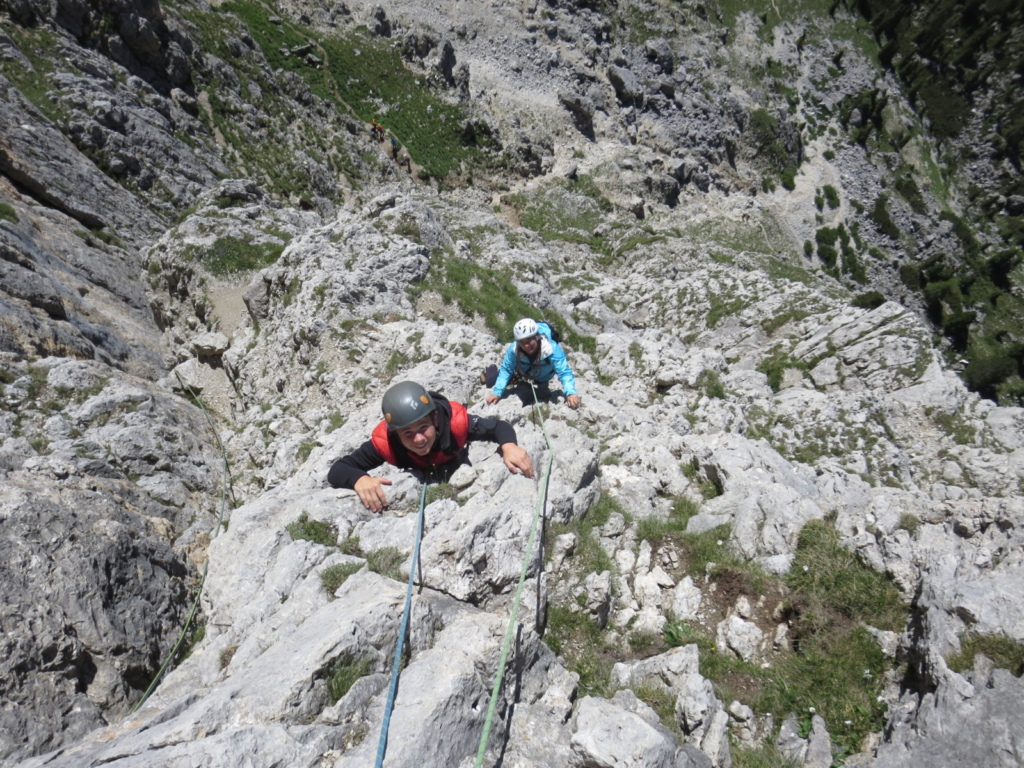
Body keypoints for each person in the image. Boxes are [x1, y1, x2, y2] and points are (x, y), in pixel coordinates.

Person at [328, 381, 534, 512]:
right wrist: (359, 478)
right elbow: (338, 469)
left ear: (435, 419)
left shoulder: (456, 424)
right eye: (407, 433)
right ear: (395, 433)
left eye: (423, 428)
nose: (418, 439)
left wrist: (509, 445)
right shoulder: (386, 443)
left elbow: (498, 427)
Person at [485, 318, 581, 409]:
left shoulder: (551, 349)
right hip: (522, 373)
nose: (526, 345)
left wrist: (570, 393)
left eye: (529, 340)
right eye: (521, 342)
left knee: (543, 393)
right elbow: (506, 370)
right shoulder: (514, 349)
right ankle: (491, 369)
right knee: (490, 381)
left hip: (543, 378)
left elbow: (564, 372)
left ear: (537, 337)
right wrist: (497, 393)